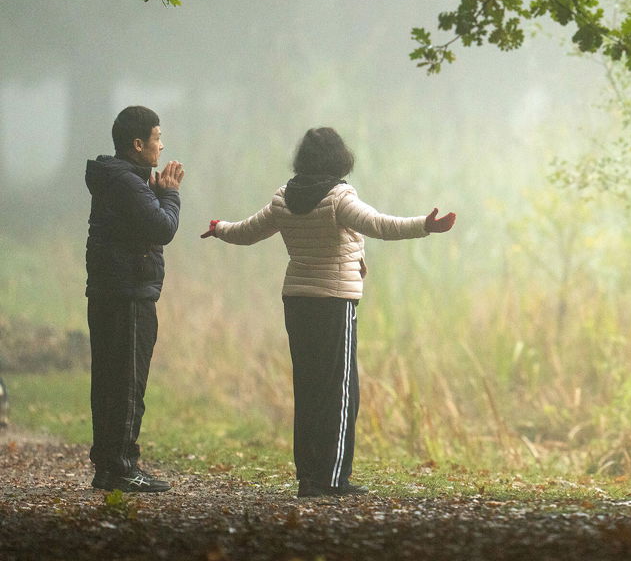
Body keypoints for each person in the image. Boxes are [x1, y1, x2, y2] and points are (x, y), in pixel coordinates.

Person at [201, 127, 455, 497]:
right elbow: (379, 224)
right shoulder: (338, 198)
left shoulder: (283, 198)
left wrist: (220, 228)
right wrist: (424, 226)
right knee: (340, 392)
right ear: (339, 159)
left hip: (298, 301)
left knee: (308, 389)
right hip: (334, 302)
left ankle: (309, 476)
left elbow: (248, 231)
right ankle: (333, 478)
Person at [85, 105, 184, 493]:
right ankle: (122, 466)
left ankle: (108, 467)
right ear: (138, 144)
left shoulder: (118, 180)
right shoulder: (126, 183)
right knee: (127, 384)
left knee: (108, 382)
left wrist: (156, 192)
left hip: (110, 290)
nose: (161, 146)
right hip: (128, 293)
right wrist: (171, 195)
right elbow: (162, 228)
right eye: (157, 138)